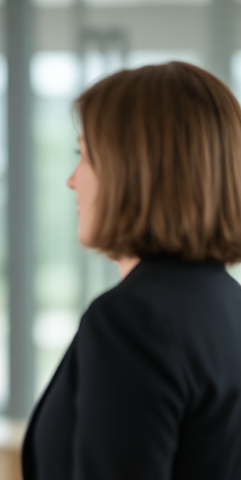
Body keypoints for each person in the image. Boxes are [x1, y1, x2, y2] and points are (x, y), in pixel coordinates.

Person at [22, 61, 241, 479]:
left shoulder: (133, 321)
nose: (72, 180)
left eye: (84, 155)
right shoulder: (228, 304)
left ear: (135, 169)